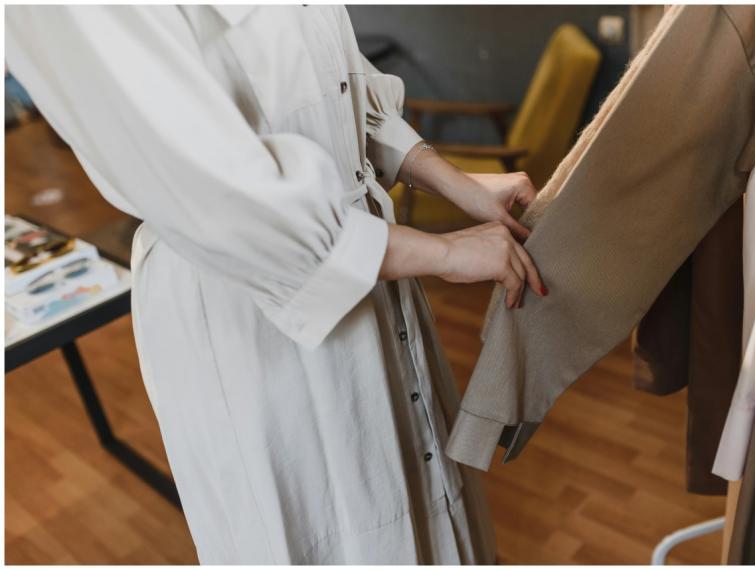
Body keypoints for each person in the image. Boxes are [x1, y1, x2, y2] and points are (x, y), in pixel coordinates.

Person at [6, 5, 545, 564]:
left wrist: (457, 185)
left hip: (374, 267)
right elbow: (209, 190)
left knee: (422, 499)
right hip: (253, 306)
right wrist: (446, 252)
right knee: (336, 529)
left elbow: (335, 82)